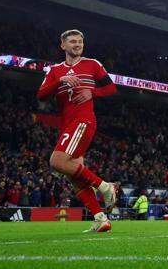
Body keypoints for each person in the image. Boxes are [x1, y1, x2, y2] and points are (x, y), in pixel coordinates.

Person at [37, 29, 118, 233]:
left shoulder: (92, 64)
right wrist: (60, 81)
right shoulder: (55, 70)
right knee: (74, 176)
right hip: (67, 124)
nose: (77, 45)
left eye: (80, 42)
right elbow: (41, 95)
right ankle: (100, 218)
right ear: (63, 46)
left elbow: (111, 89)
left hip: (83, 121)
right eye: (73, 41)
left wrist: (93, 92)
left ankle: (105, 186)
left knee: (57, 161)